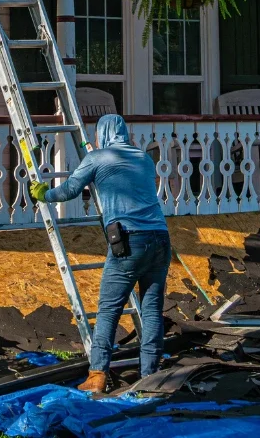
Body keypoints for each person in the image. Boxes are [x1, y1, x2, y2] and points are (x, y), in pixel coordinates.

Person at [30, 114, 170, 393]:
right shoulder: (142, 158)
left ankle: (97, 377)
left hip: (130, 240)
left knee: (108, 310)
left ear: (103, 134)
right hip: (161, 238)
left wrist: (44, 194)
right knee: (152, 309)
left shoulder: (97, 158)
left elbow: (70, 190)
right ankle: (150, 376)